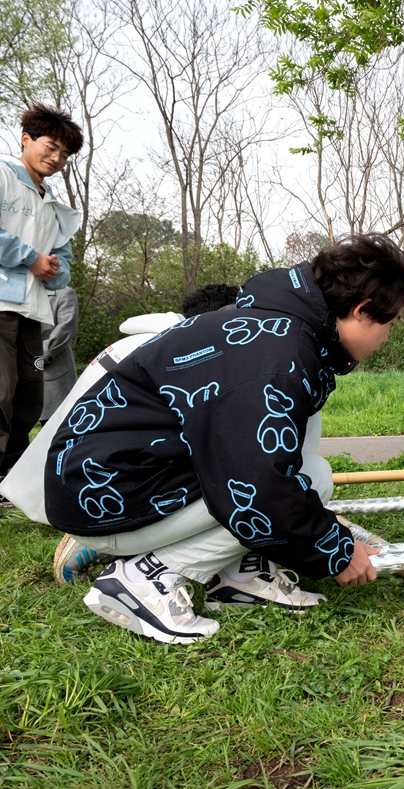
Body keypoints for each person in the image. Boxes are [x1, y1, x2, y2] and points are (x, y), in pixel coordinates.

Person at [35, 234, 404, 644]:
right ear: (361, 311)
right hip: (102, 494)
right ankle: (143, 580)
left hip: (111, 478)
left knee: (306, 470)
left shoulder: (271, 330)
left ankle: (239, 577)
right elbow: (257, 485)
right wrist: (336, 551)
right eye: (390, 325)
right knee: (298, 482)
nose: (387, 338)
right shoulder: (276, 352)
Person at [1, 285, 243, 578]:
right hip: (104, 496)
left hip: (58, 489)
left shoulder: (142, 339)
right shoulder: (187, 357)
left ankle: (116, 540)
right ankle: (140, 565)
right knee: (240, 477)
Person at [0, 104, 83, 476]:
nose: (56, 158)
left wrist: (53, 269)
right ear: (26, 139)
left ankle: (10, 482)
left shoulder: (54, 207)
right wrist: (32, 257)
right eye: (50, 147)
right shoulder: (3, 175)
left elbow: (62, 265)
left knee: (28, 399)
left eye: (64, 154)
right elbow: (33, 255)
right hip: (1, 306)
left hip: (33, 313)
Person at [37, 286, 79, 423]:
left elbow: (65, 329)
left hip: (54, 373)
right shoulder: (20, 293)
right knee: (17, 430)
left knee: (56, 427)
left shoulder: (64, 293)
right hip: (20, 370)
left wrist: (37, 356)